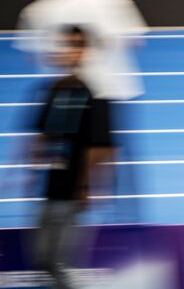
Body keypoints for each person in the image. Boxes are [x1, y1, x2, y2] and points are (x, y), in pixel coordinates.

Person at [15, 0, 146, 221]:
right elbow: (136, 40)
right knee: (109, 170)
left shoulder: (37, 9)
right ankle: (122, 228)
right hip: (111, 95)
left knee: (60, 166)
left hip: (64, 97)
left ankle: (56, 221)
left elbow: (32, 55)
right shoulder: (117, 3)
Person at [32, 26, 115, 289]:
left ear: (86, 52)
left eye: (78, 45)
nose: (71, 51)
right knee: (44, 257)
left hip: (72, 192)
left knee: (60, 264)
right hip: (51, 186)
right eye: (67, 45)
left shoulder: (94, 95)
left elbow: (100, 146)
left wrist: (86, 186)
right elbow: (41, 134)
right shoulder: (54, 89)